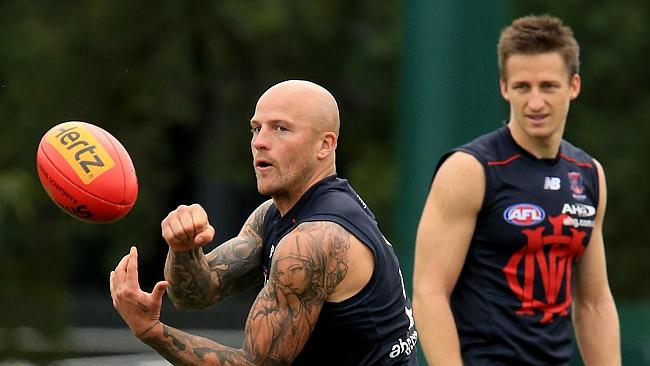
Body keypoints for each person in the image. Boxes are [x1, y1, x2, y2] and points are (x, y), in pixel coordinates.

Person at [110, 80, 418, 365]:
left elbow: (254, 364)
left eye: (281, 129)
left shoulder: (317, 239)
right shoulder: (272, 215)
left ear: (325, 145)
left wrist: (151, 331)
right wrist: (183, 248)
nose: (260, 142)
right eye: (256, 129)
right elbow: (195, 294)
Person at [412, 15, 620, 366]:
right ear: (505, 87)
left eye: (548, 86)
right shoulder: (470, 170)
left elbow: (593, 303)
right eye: (523, 87)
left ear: (574, 86)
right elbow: (429, 293)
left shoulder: (588, 174)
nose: (535, 102)